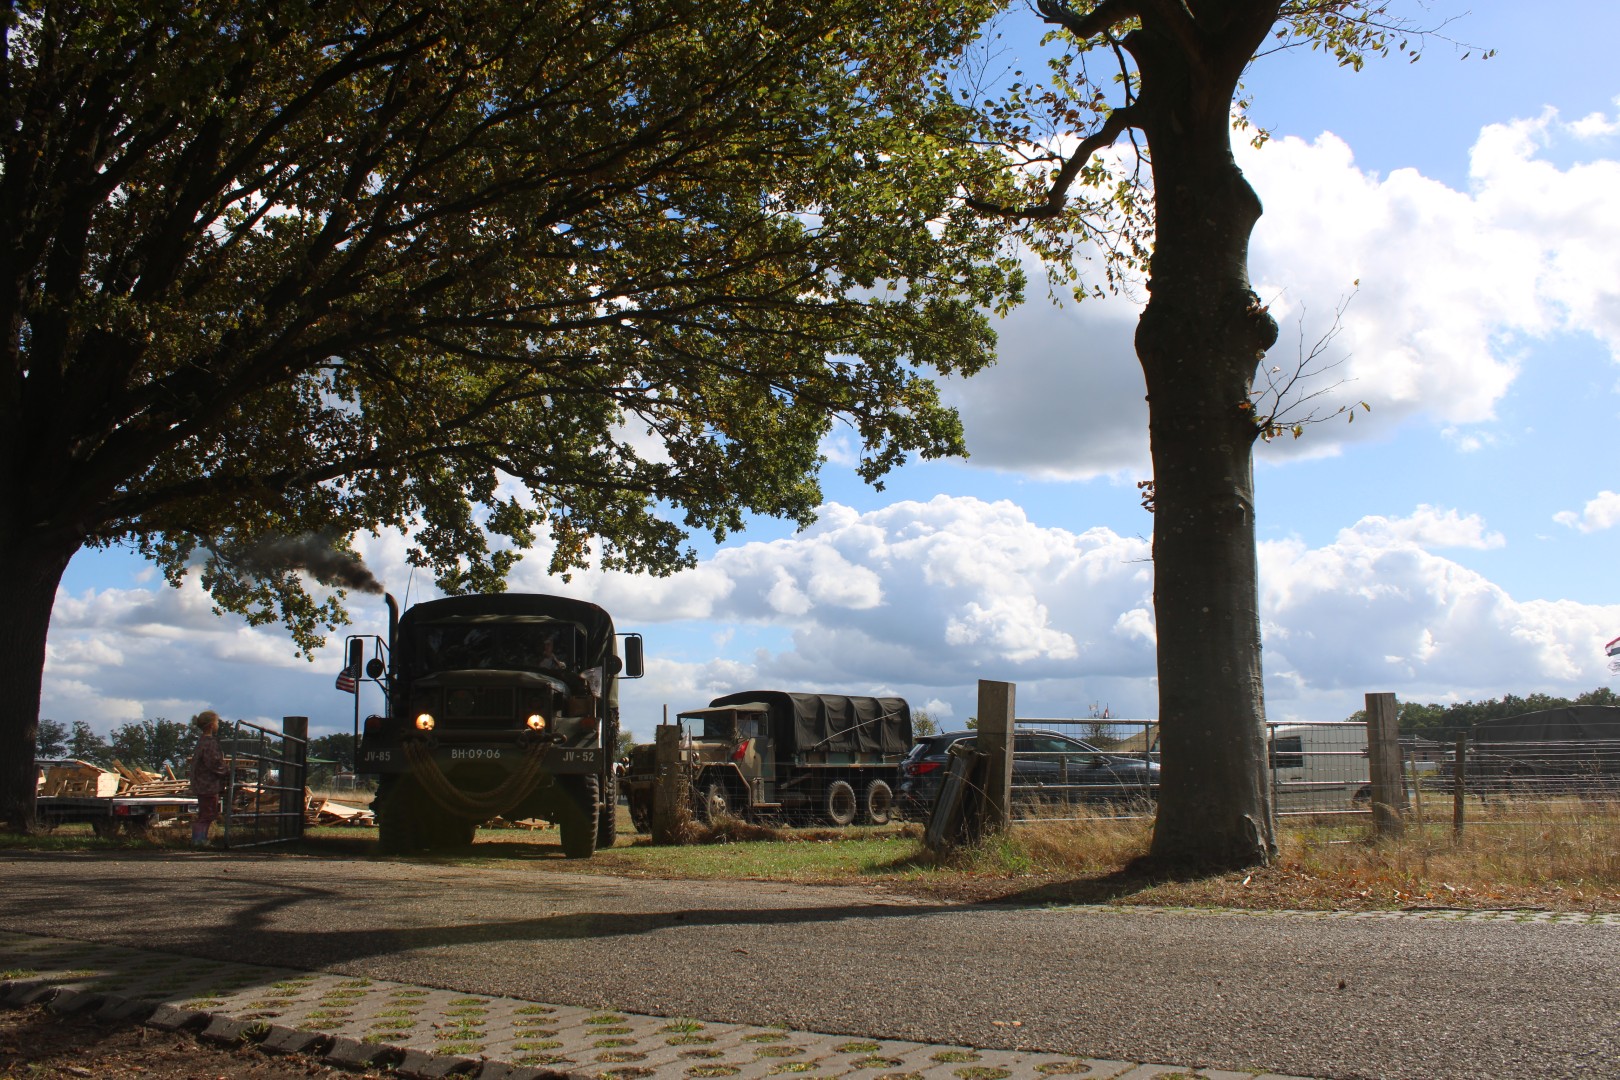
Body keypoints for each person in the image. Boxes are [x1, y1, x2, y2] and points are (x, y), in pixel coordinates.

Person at [187, 711, 230, 847]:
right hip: (208, 784)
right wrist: (227, 770)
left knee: (205, 813)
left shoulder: (201, 742)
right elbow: (214, 763)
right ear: (211, 725)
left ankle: (200, 839)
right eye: (217, 722)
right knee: (208, 814)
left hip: (201, 783)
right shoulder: (210, 743)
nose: (218, 725)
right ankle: (199, 840)